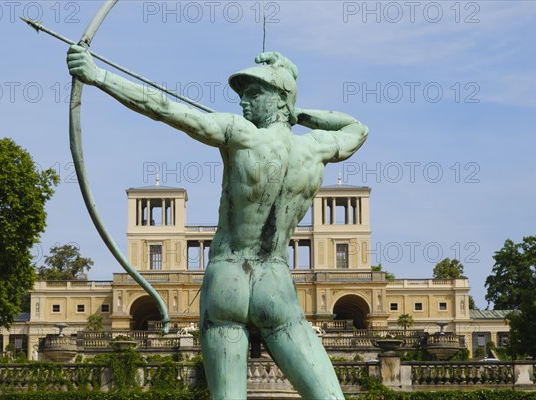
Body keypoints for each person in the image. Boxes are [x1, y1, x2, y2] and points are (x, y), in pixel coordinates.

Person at [68, 47, 368, 400]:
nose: (244, 103)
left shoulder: (239, 133)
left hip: (228, 276)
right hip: (276, 281)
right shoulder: (315, 148)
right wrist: (298, 114)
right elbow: (357, 128)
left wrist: (98, 76)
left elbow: (163, 108)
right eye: (242, 95)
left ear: (280, 99)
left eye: (255, 93)